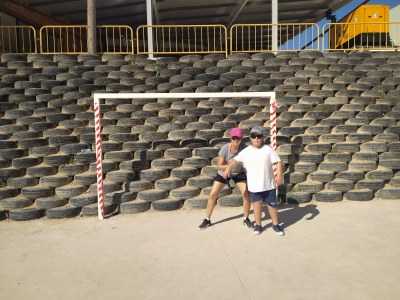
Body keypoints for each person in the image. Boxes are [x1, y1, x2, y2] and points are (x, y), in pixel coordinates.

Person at [223, 126, 284, 236]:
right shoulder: (246, 151)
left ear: (262, 137)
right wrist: (227, 168)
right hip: (254, 186)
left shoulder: (268, 150)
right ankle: (258, 225)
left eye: (258, 136)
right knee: (257, 206)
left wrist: (279, 176)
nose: (256, 138)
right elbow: (235, 161)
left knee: (273, 206)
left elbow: (278, 162)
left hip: (269, 185)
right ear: (250, 138)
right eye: (253, 136)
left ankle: (276, 225)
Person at [198, 127, 252, 230]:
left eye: (238, 138)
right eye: (234, 138)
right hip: (223, 173)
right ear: (231, 138)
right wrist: (228, 168)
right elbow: (219, 165)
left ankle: (246, 218)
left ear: (242, 138)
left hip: (238, 173)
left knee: (246, 193)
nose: (236, 140)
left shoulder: (245, 148)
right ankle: (207, 219)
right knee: (213, 194)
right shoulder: (225, 148)